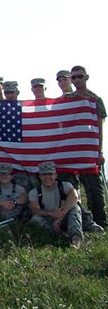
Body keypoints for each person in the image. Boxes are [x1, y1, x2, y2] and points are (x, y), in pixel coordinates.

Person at [68, 65, 107, 228]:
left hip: (89, 151)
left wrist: (99, 151)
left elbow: (99, 127)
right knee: (71, 190)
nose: (77, 80)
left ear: (86, 77)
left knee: (95, 191)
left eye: (80, 76)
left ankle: (100, 223)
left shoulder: (95, 99)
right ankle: (79, 221)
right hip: (71, 151)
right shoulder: (68, 99)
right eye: (74, 77)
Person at [28, 161, 83, 247]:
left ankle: (76, 239)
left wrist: (61, 215)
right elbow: (35, 210)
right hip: (49, 221)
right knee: (35, 219)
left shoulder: (65, 186)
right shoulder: (34, 192)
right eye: (44, 175)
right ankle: (60, 236)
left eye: (50, 174)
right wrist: (51, 213)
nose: (47, 177)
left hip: (65, 218)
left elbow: (74, 197)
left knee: (75, 208)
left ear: (56, 175)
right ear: (39, 176)